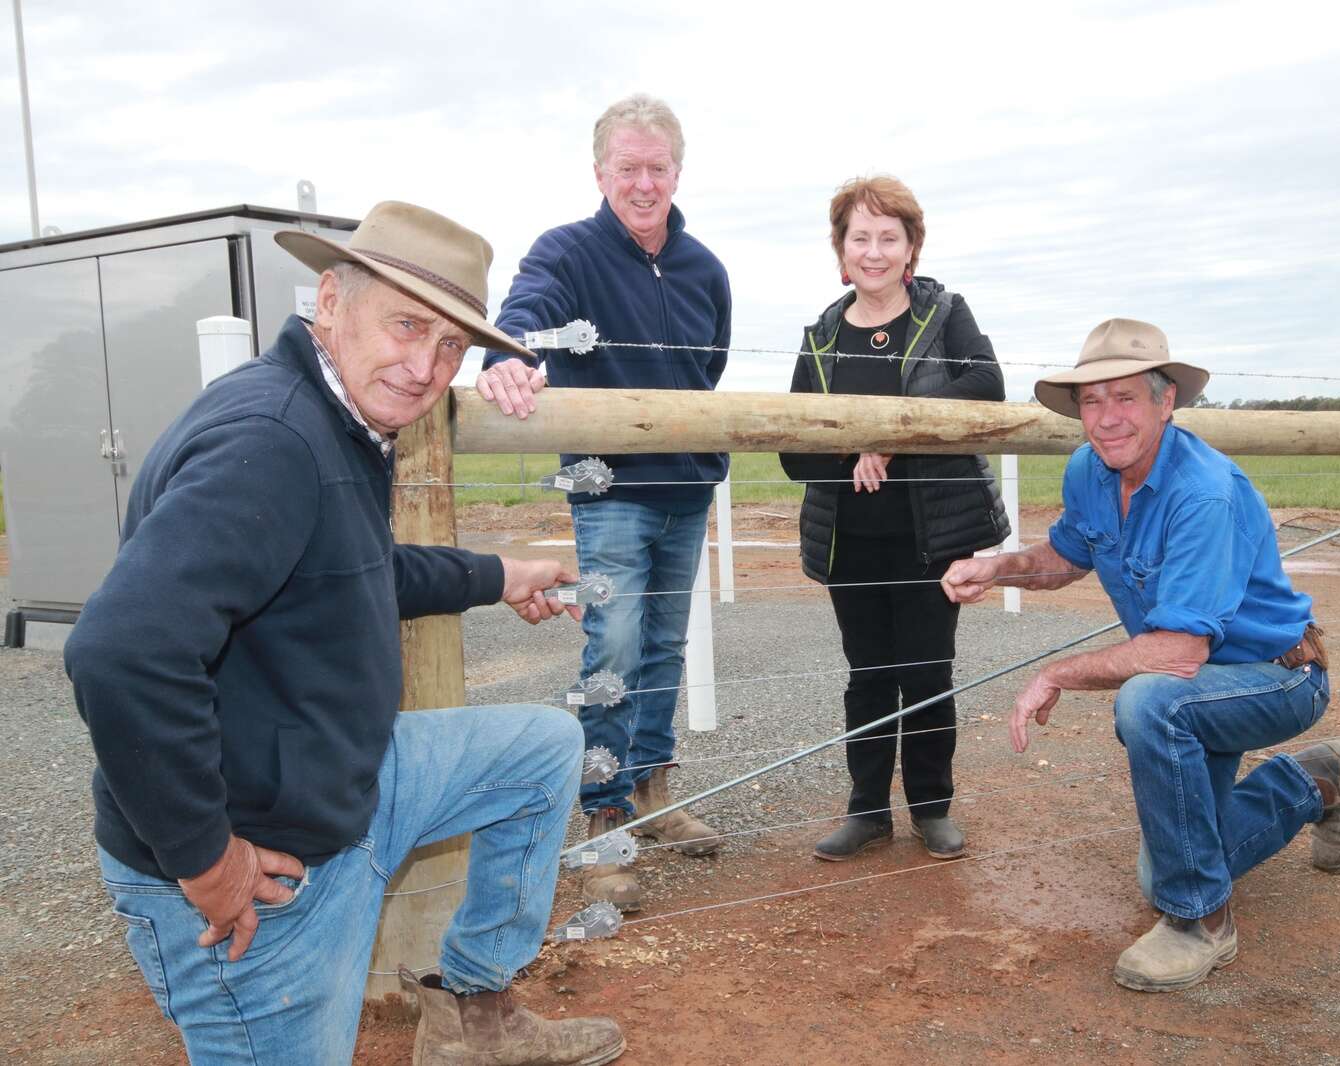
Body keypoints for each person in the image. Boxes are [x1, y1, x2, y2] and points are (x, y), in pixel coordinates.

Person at [64, 201, 625, 1066]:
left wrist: (495, 575)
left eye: (450, 347)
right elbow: (120, 651)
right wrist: (207, 861)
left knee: (543, 751)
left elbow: (352, 570)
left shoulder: (341, 418)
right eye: (407, 325)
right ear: (330, 301)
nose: (425, 366)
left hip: (347, 779)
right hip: (270, 859)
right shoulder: (274, 440)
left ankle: (474, 1012)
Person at [942, 318, 1340, 993]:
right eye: (1091, 401)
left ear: (1167, 402)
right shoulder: (1092, 470)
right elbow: (1065, 559)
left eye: (1126, 398)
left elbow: (1176, 649)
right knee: (1170, 863)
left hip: (1278, 675)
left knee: (1150, 700)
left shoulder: (1204, 493)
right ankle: (1315, 782)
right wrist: (997, 567)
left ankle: (1202, 925)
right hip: (1203, 683)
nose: (1106, 420)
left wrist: (1054, 673)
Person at [476, 93, 731, 911]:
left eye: (658, 167)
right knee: (613, 645)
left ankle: (653, 793)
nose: (644, 183)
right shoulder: (569, 252)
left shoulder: (706, 271)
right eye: (629, 168)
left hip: (686, 484)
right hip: (610, 487)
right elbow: (526, 307)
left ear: (678, 172)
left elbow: (710, 367)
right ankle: (604, 814)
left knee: (663, 646)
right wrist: (510, 354)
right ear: (601, 173)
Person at [779, 175, 1010, 863]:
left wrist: (887, 436)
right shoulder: (821, 337)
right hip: (851, 542)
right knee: (868, 676)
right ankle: (867, 811)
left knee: (929, 672)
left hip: (931, 538)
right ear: (841, 251)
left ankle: (932, 809)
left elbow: (984, 386)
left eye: (889, 237)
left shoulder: (944, 314)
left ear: (911, 247)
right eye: (860, 238)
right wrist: (849, 451)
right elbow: (793, 450)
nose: (874, 251)